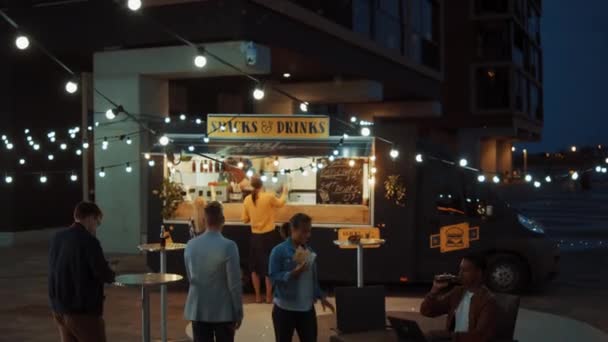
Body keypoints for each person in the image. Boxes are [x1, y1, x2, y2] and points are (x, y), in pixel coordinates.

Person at [48, 201, 115, 342]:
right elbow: (103, 274)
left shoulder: (58, 237)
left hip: (59, 309)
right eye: (98, 222)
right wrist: (112, 272)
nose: (96, 227)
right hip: (82, 311)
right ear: (91, 218)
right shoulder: (89, 241)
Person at [269, 213, 335, 342]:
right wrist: (292, 273)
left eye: (309, 231)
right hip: (284, 310)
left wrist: (321, 296)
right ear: (293, 229)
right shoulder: (279, 251)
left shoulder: (308, 251)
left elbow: (312, 280)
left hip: (307, 310)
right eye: (304, 231)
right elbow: (273, 277)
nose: (307, 235)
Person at [184, 201, 243, 342]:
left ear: (204, 220)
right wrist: (238, 311)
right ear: (223, 220)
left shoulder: (191, 245)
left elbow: (191, 278)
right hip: (224, 311)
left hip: (198, 308)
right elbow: (234, 284)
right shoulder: (229, 246)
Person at [420, 254, 497, 342]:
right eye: (460, 269)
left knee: (430, 336)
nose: (460, 273)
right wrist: (434, 290)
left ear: (478, 273)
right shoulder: (458, 292)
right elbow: (427, 311)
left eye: (465, 270)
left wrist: (448, 336)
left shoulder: (488, 300)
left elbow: (481, 336)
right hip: (452, 339)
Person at [242, 175, 288, 303]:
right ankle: (268, 297)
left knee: (254, 268)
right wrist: (285, 192)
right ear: (262, 185)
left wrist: (255, 215)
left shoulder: (247, 199)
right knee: (269, 267)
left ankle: (257, 296)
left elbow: (244, 219)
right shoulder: (269, 197)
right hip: (268, 237)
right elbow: (281, 203)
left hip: (255, 237)